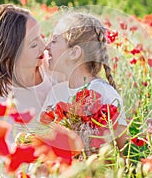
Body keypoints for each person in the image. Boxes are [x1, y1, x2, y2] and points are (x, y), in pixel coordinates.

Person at [0, 4, 64, 177]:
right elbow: (6, 150)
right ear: (10, 53)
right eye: (33, 43)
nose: (44, 46)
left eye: (41, 37)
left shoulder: (50, 68)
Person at [41, 12, 128, 155]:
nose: (47, 46)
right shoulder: (55, 93)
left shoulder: (105, 93)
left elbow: (124, 153)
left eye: (55, 40)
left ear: (74, 52)